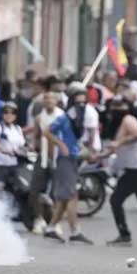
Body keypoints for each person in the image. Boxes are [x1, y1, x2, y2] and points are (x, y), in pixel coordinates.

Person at [100, 97, 137, 246]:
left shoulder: (127, 119)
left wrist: (119, 142)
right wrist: (97, 157)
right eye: (115, 106)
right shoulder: (117, 126)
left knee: (115, 200)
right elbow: (113, 148)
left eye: (120, 105)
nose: (117, 109)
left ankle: (124, 235)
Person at [43, 85, 93, 245]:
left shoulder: (79, 117)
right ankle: (75, 231)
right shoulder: (64, 118)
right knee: (71, 196)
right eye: (78, 101)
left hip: (73, 157)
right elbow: (47, 131)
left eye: (83, 101)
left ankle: (51, 228)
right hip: (65, 159)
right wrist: (60, 144)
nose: (81, 104)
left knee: (65, 198)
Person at [29, 91, 64, 234]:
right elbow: (35, 137)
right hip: (42, 158)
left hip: (58, 158)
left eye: (51, 98)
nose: (49, 101)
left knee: (58, 193)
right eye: (46, 98)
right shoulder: (39, 118)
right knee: (35, 190)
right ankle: (39, 219)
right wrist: (34, 146)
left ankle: (56, 223)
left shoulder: (62, 117)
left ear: (56, 101)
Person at [0, 102, 25, 190]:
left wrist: (24, 151)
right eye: (6, 112)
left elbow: (21, 145)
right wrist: (4, 150)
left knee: (13, 192)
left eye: (12, 113)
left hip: (13, 165)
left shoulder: (18, 129)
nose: (9, 115)